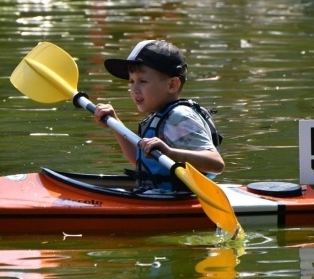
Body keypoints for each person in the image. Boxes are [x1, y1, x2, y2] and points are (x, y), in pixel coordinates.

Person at [93, 39, 224, 192]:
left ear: (172, 85)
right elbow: (140, 159)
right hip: (158, 198)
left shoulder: (179, 117)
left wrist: (170, 153)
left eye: (142, 81)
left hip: (180, 203)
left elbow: (216, 164)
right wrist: (115, 123)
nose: (134, 89)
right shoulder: (158, 116)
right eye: (131, 81)